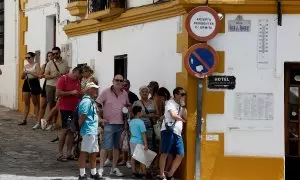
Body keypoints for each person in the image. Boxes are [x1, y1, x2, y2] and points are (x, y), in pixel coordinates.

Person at [96, 74, 130, 177]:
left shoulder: (124, 94)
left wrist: (128, 110)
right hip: (109, 124)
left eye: (121, 80)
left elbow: (128, 105)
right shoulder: (106, 92)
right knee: (105, 147)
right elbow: (96, 104)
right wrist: (99, 118)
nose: (119, 82)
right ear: (113, 80)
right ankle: (101, 169)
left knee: (117, 148)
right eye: (117, 80)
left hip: (120, 124)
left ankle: (114, 168)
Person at [159, 87, 187, 180]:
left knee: (180, 154)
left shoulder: (181, 105)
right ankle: (162, 174)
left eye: (184, 94)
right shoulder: (170, 103)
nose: (184, 96)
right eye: (182, 94)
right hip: (168, 130)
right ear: (176, 94)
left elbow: (186, 116)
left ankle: (170, 174)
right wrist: (182, 119)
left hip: (178, 133)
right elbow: (173, 115)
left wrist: (183, 105)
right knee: (165, 153)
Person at [56, 66, 82, 162]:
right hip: (65, 108)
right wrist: (71, 92)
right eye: (78, 75)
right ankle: (59, 153)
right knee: (65, 130)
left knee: (72, 131)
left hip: (74, 109)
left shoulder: (77, 81)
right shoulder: (63, 79)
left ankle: (69, 153)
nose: (78, 77)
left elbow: (78, 93)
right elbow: (58, 93)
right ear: (74, 72)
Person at [78, 82, 101, 180]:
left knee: (93, 152)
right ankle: (82, 174)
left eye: (96, 88)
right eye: (94, 89)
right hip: (88, 130)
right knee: (84, 152)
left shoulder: (91, 101)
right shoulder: (86, 101)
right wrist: (79, 129)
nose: (96, 90)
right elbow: (82, 116)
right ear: (88, 90)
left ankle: (93, 172)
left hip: (92, 131)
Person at [44, 47, 69, 130]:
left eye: (56, 53)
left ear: (60, 53)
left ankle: (54, 123)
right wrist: (53, 76)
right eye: (53, 54)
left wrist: (63, 75)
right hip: (50, 85)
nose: (54, 55)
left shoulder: (65, 62)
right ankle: (50, 122)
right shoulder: (50, 63)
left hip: (60, 86)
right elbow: (46, 75)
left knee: (58, 104)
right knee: (51, 104)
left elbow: (67, 74)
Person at [133, 86, 159, 152]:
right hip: (139, 129)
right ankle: (141, 161)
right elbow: (133, 116)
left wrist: (144, 115)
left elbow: (158, 115)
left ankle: (149, 161)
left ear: (149, 93)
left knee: (151, 145)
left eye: (146, 92)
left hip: (150, 127)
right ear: (139, 93)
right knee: (140, 145)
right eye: (142, 92)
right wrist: (151, 115)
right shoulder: (136, 103)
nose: (144, 93)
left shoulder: (153, 102)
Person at [18, 52, 41, 126]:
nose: (27, 59)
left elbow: (38, 75)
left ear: (33, 57)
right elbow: (22, 77)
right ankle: (24, 120)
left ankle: (38, 121)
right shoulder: (25, 66)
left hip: (34, 83)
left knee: (36, 103)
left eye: (29, 57)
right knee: (26, 103)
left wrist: (29, 72)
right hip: (26, 83)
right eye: (26, 58)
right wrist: (24, 73)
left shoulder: (36, 65)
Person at [129, 105, 148, 178]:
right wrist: (146, 144)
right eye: (141, 111)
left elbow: (131, 132)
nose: (142, 112)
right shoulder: (141, 122)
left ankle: (134, 172)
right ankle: (144, 173)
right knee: (141, 158)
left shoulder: (131, 121)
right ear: (138, 113)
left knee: (133, 157)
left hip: (132, 140)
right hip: (139, 141)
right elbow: (143, 134)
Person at [38, 52, 54, 129]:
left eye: (51, 56)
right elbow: (40, 76)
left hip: (53, 85)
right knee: (43, 105)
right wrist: (45, 75)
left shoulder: (55, 65)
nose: (50, 57)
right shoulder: (44, 65)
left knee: (52, 105)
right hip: (46, 84)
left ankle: (51, 123)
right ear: (46, 57)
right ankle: (39, 122)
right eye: (48, 56)